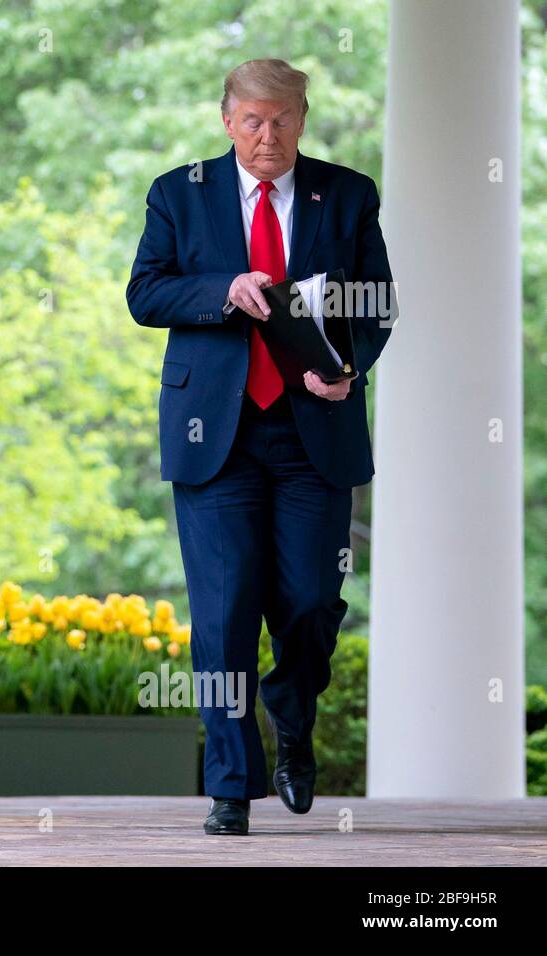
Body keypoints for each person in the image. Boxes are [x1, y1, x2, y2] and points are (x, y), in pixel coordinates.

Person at [124, 58, 396, 835]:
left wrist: (349, 369)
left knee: (311, 601)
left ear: (302, 119)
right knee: (224, 613)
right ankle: (231, 788)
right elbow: (146, 292)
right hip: (217, 435)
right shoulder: (180, 193)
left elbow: (375, 302)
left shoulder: (345, 194)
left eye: (281, 120)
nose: (266, 135)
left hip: (315, 430)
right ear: (227, 120)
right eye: (252, 120)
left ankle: (294, 716)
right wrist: (221, 290)